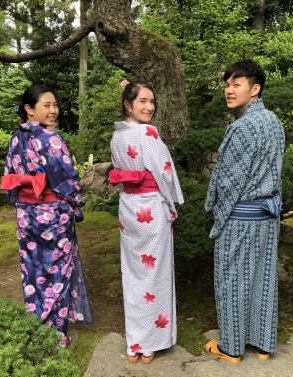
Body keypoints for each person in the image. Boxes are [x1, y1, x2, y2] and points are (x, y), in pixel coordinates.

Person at [204, 60, 285, 363]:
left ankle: (232, 347)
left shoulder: (242, 127)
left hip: (240, 217)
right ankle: (263, 346)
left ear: (255, 89)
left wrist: (216, 213)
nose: (229, 90)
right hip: (268, 216)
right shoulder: (274, 122)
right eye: (227, 84)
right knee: (262, 279)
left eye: (236, 84)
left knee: (231, 280)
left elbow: (227, 182)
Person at [0, 84, 92, 347]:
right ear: (29, 109)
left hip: (26, 216)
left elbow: (10, 177)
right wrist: (76, 204)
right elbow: (69, 181)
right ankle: (57, 337)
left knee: (33, 272)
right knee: (57, 274)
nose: (53, 111)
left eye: (54, 105)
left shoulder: (16, 139)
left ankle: (37, 328)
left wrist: (22, 204)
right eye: (46, 106)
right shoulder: (50, 139)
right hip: (53, 216)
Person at [109, 80, 184, 364]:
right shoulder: (148, 133)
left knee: (133, 273)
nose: (149, 107)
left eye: (151, 102)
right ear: (128, 104)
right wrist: (171, 205)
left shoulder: (117, 136)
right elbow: (164, 173)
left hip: (128, 207)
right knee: (155, 274)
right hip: (151, 206)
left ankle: (134, 343)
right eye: (142, 101)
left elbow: (119, 172)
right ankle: (150, 343)